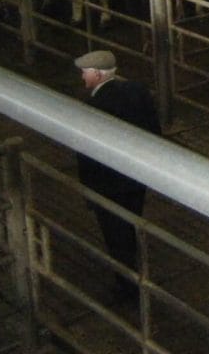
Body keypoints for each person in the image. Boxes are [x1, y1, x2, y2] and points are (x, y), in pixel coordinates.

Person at [74, 50, 161, 300]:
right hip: (136, 178)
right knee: (131, 225)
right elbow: (154, 132)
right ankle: (134, 273)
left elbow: (87, 154)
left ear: (98, 74)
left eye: (85, 72)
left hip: (108, 184)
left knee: (116, 236)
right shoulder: (137, 91)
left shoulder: (92, 107)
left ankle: (128, 288)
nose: (82, 76)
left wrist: (90, 192)